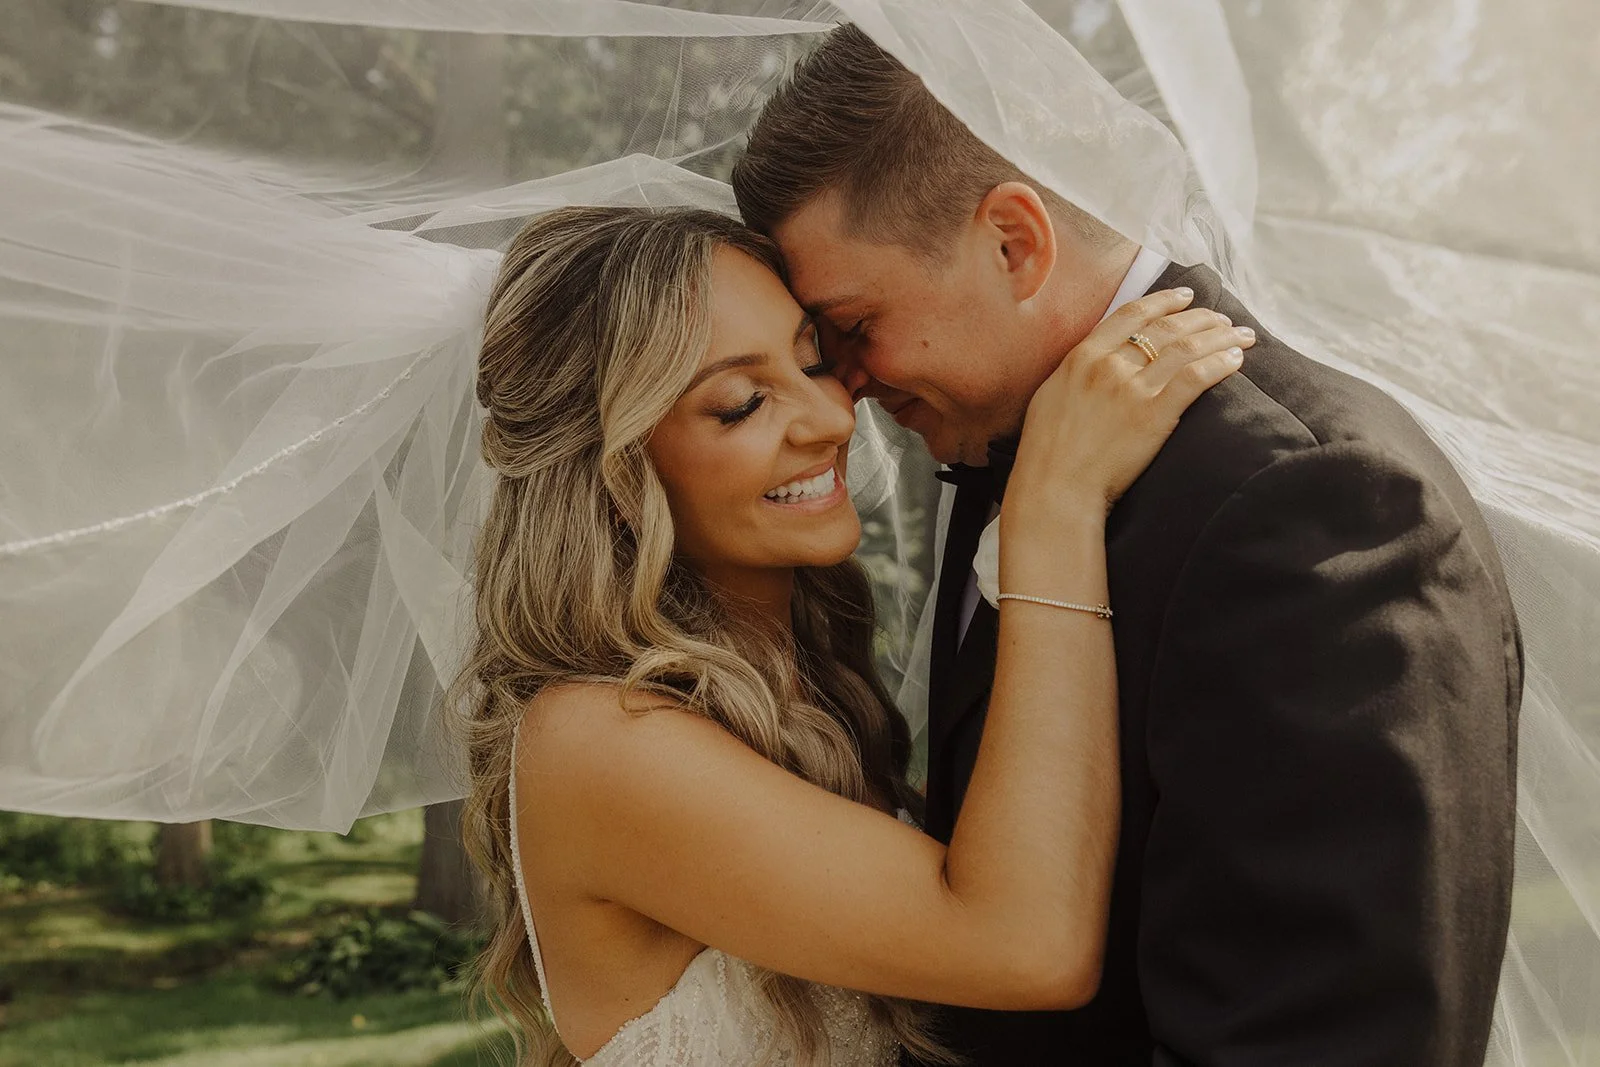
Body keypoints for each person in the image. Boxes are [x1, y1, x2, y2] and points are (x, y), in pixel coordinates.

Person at [731, 24, 1524, 1067]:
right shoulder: (1018, 429)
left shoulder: (1313, 503)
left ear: (1014, 243)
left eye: (851, 325)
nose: (848, 384)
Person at [450, 204, 1245, 1066]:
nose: (832, 419)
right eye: (741, 402)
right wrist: (1055, 505)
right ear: (610, 475)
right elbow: (1026, 946)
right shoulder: (596, 738)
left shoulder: (805, 687)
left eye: (814, 359)